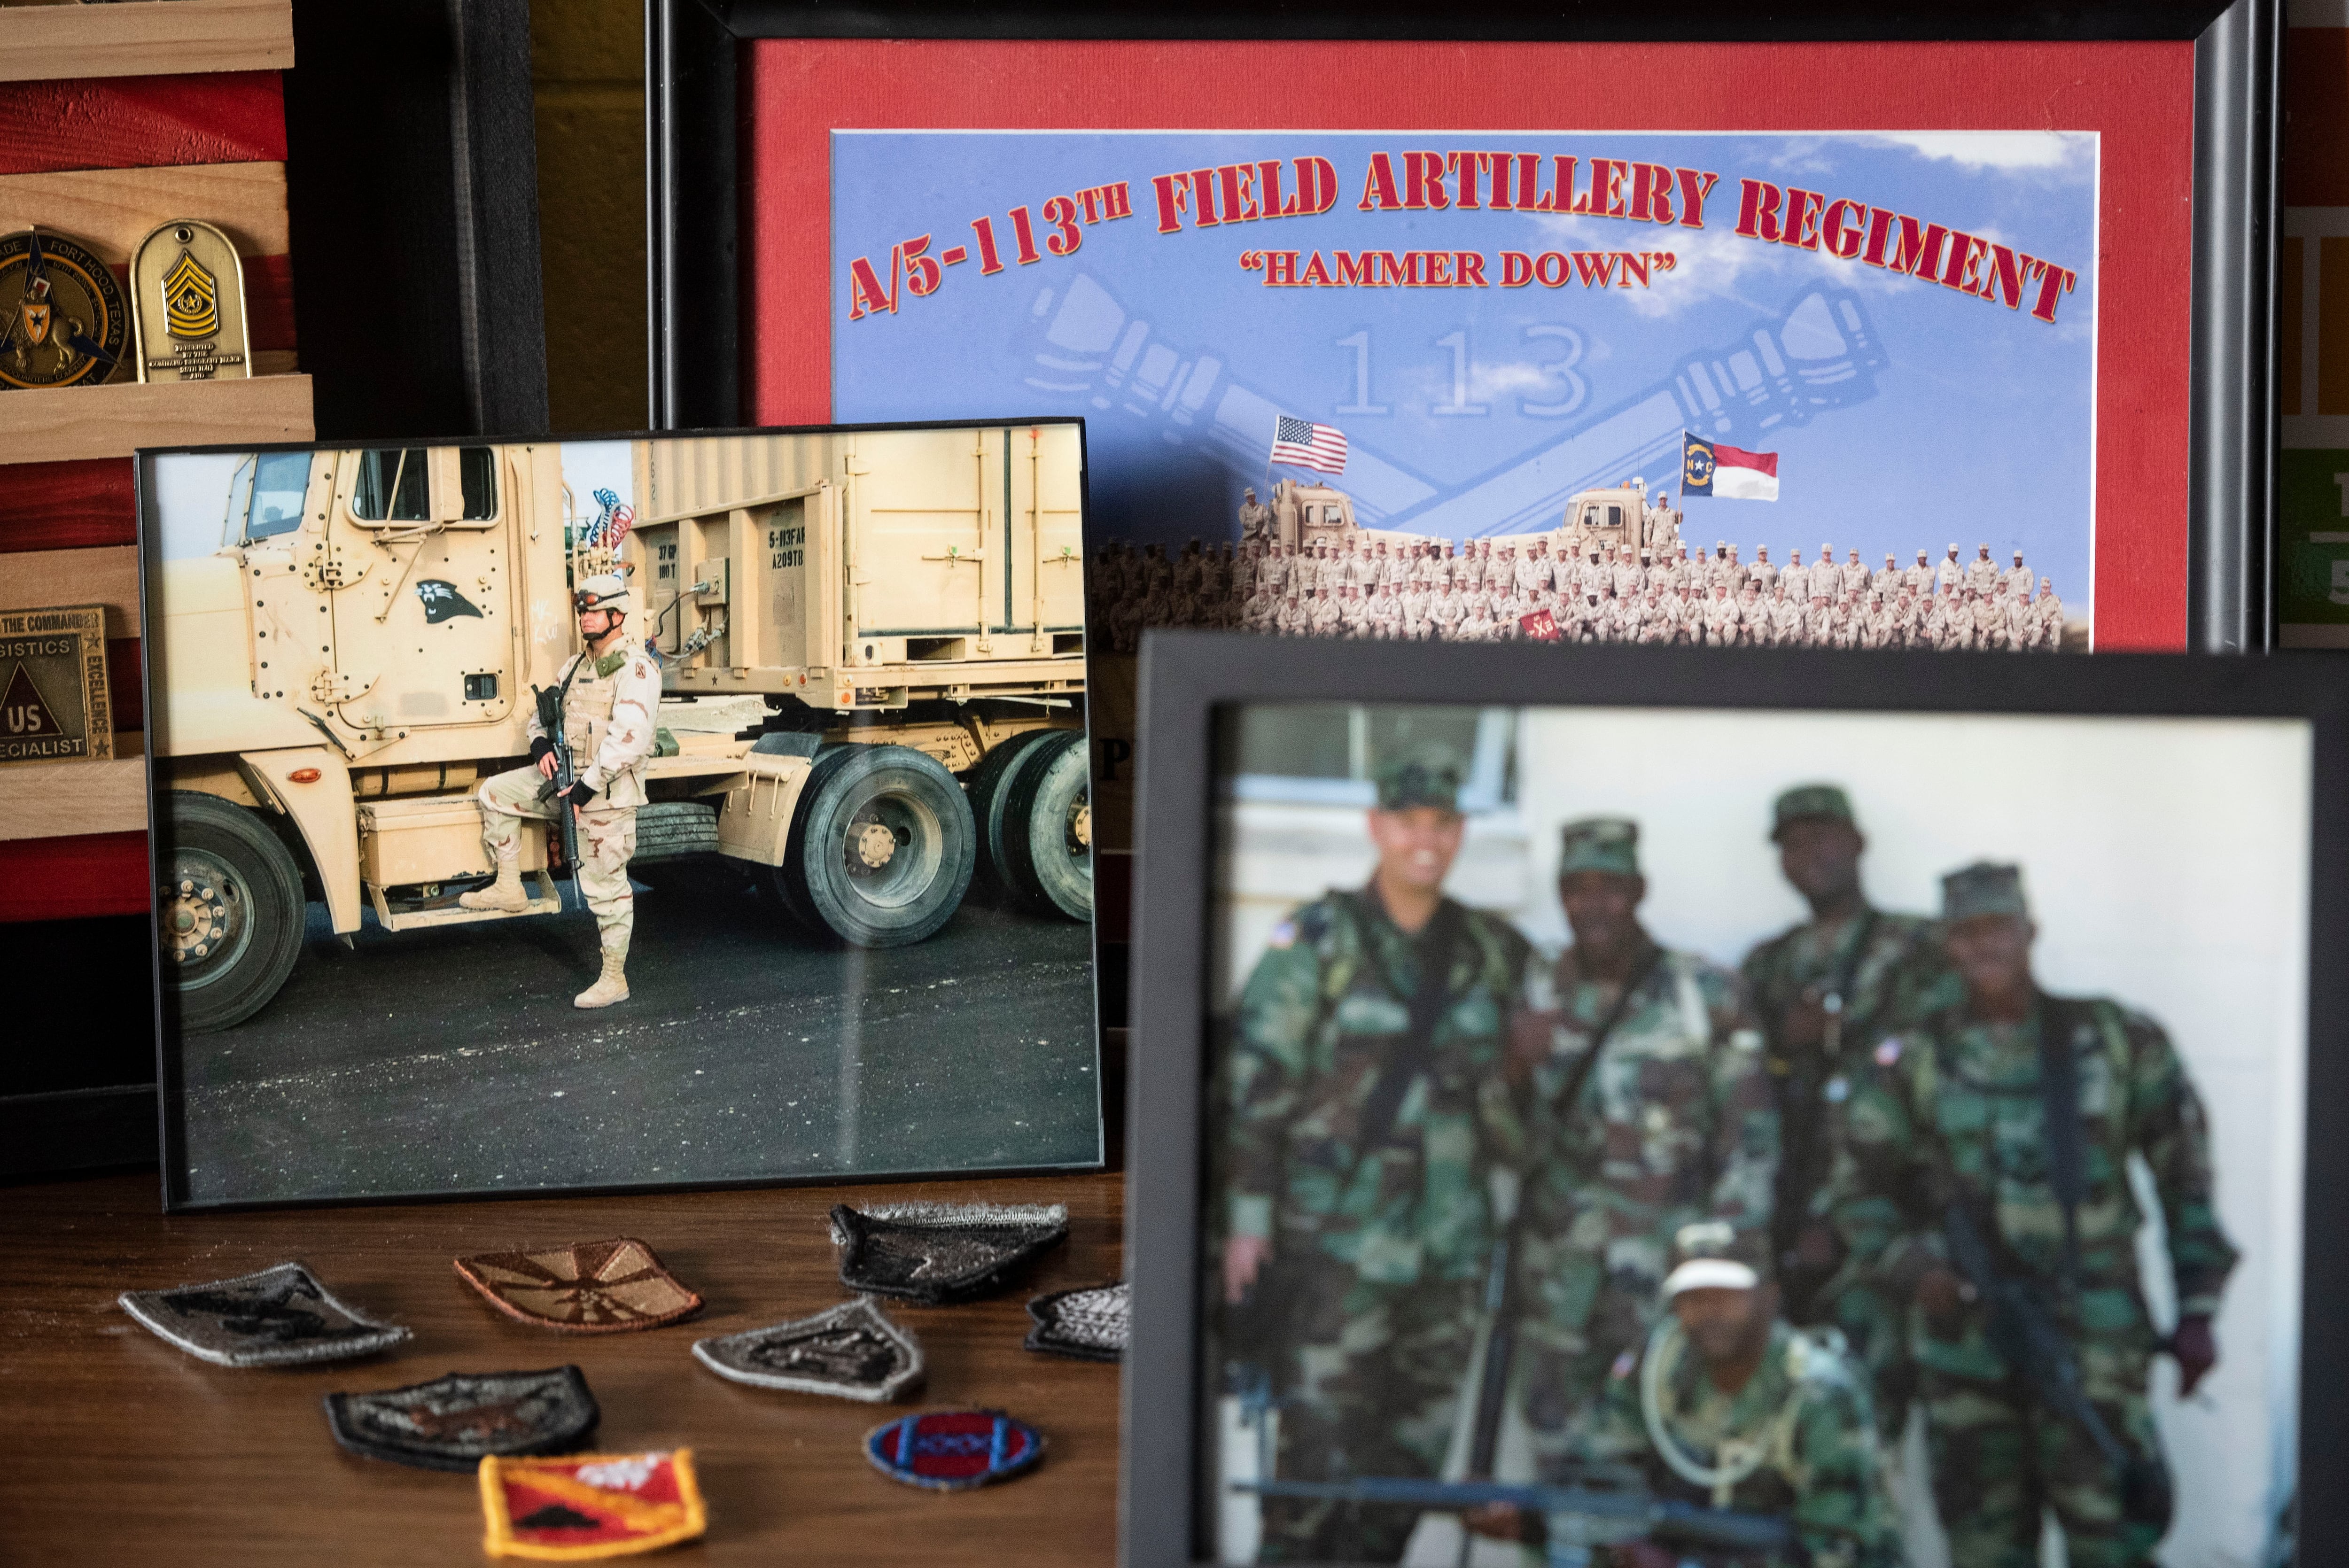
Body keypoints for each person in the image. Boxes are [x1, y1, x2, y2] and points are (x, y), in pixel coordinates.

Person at [1828, 862, 2237, 1568]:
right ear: (1946, 947)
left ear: (2030, 931)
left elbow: (2187, 1181)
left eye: (1998, 928)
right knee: (1984, 1552)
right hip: (1965, 1355)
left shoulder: (2115, 1039)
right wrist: (1916, 1269)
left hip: (2095, 1351)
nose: (1982, 947)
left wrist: (2198, 1309)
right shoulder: (1915, 1058)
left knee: (2113, 1546)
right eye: (1965, 933)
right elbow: (1855, 1192)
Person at [1223, 748, 1534, 1562]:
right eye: (1408, 822)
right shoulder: (1319, 938)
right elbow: (1257, 1085)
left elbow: (1528, 1090)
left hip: (1449, 1256)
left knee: (1405, 1476)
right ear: (1376, 827)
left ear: (1460, 830)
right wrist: (1248, 1225)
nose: (1425, 839)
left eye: (1442, 823)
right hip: (1338, 1253)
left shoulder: (1491, 952)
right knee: (1313, 1478)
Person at [1498, 818, 1778, 1485]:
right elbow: (1504, 1145)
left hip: (1668, 1285)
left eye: (1612, 887)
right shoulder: (1535, 992)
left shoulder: (1704, 993)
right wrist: (1511, 1069)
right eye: (1577, 888)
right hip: (1559, 1286)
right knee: (1561, 1469)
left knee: (1678, 1464)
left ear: (1640, 890)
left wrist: (1727, 1272)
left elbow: (1753, 1141)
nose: (1594, 905)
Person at [1469, 1223, 1899, 1568]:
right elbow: (1600, 1479)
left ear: (1769, 1299)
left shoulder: (1819, 1394)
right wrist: (1532, 1523)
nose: (1708, 1313)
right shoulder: (1657, 1368)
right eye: (1692, 1297)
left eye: (1726, 1296)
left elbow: (1840, 1548)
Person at [1738, 786, 1958, 1440]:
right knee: (1773, 1435)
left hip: (1880, 1239)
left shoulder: (1919, 947)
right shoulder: (1769, 963)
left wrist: (1854, 1037)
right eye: (1793, 842)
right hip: (1785, 1233)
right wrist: (1786, 1040)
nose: (1811, 854)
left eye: (1824, 835)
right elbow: (1742, 1092)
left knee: (1864, 1436)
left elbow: (1950, 1070)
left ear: (1859, 842)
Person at [458, 574, 656, 1009]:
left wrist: (583, 790)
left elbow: (630, 740)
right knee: (495, 792)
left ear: (618, 616)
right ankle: (510, 887)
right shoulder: (574, 667)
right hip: (563, 780)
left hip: (603, 792)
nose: (585, 618)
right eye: (583, 611)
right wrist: (541, 745)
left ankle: (614, 979)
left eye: (594, 610)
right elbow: (543, 716)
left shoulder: (636, 669)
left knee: (606, 888)